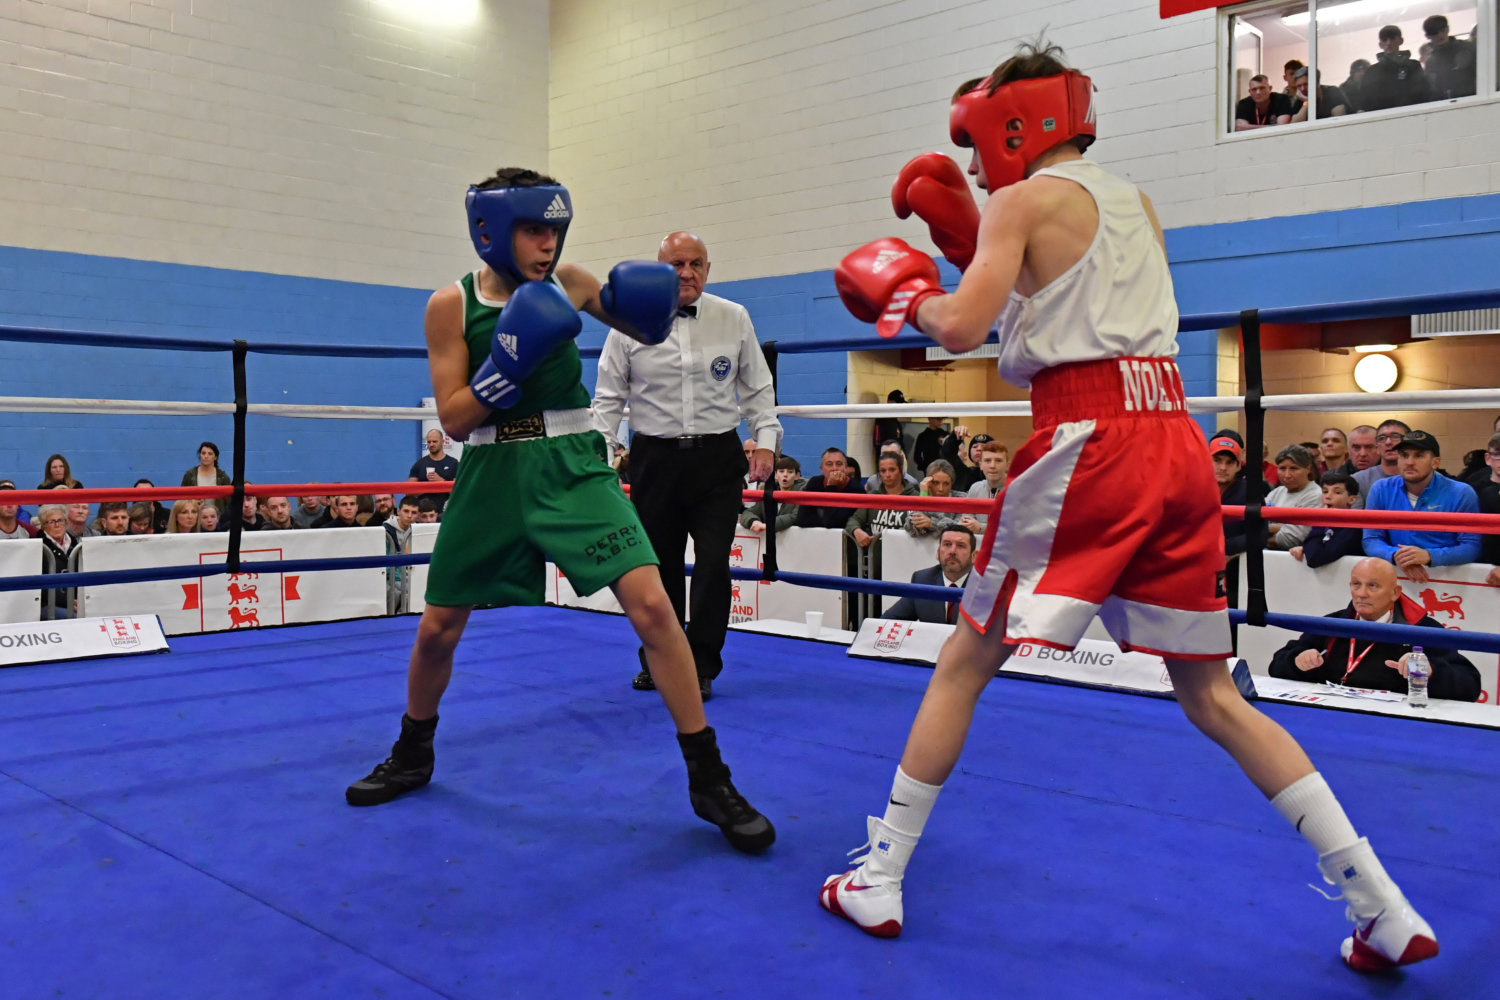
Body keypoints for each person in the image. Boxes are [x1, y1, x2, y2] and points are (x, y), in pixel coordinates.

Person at [824, 41, 1437, 971]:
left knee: (964, 658)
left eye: (980, 140)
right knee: (1214, 694)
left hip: (1089, 443)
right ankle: (1382, 908)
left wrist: (908, 293)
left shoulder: (1021, 201)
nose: (978, 163)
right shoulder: (1132, 200)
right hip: (1175, 443)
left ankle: (877, 879)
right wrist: (969, 245)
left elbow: (960, 328)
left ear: (1013, 124)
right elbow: (1066, 296)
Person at [345, 167, 773, 855]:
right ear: (491, 232)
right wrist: (507, 364)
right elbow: (454, 418)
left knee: (656, 606)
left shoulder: (569, 283)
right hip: (491, 469)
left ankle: (708, 775)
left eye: (554, 228)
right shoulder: (448, 306)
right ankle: (413, 750)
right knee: (436, 628)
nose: (547, 244)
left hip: (573, 464)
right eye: (532, 229)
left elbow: (650, 329)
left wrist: (654, 302)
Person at [591, 230, 782, 701]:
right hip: (654, 459)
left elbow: (758, 389)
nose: (687, 272)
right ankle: (660, 661)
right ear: (659, 270)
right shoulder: (627, 322)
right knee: (659, 570)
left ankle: (701, 666)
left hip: (718, 458)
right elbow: (608, 398)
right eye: (676, 263)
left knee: (715, 564)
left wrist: (767, 442)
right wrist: (598, 455)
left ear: (708, 270)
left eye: (696, 263)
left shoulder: (732, 317)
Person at [1269, 558, 1479, 701]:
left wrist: (1431, 672)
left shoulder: (1422, 629)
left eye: (1373, 586)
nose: (1361, 594)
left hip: (1396, 724)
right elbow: (1276, 664)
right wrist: (1297, 662)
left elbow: (1470, 685)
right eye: (1356, 584)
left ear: (1395, 592)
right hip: (1334, 713)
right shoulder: (1333, 624)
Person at [1363, 431, 1479, 583]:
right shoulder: (1380, 489)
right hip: (1395, 578)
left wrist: (1429, 556)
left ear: (1435, 462)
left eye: (1419, 455)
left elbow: (1471, 547)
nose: (1409, 462)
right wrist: (1398, 556)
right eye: (1404, 455)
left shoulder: (1462, 492)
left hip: (1448, 580)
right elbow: (1371, 540)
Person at [881, 527, 976, 624]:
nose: (952, 551)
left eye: (961, 546)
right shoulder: (923, 580)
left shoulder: (985, 587)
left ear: (974, 556)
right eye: (947, 544)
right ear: (938, 553)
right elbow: (889, 620)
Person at [1290, 473, 1365, 568]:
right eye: (1325, 491)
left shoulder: (1354, 527)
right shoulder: (1327, 523)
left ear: (1352, 500)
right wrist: (1306, 549)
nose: (1328, 496)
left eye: (1337, 492)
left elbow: (1315, 558)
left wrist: (1321, 520)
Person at [848, 452, 919, 547]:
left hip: (905, 554)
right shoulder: (872, 497)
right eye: (883, 471)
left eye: (892, 470)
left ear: (901, 470)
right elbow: (853, 520)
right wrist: (856, 530)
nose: (887, 474)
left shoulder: (915, 497)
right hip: (876, 557)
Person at [1265, 444, 1322, 551]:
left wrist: (1266, 529)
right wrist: (1283, 527)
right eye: (1282, 468)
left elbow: (1291, 539)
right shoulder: (1277, 492)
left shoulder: (1315, 496)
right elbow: (1250, 526)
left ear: (1308, 469)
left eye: (1294, 468)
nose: (1287, 475)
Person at [794, 448, 865, 528]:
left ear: (845, 468)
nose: (834, 468)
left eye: (839, 464)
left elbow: (833, 522)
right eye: (829, 464)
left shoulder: (856, 489)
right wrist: (825, 521)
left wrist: (831, 487)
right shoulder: (814, 483)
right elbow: (802, 519)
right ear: (822, 469)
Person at [1362, 26, 1428, 111]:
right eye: (1384, 40)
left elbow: (1423, 93)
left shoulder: (1413, 66)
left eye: (1392, 38)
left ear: (1401, 41)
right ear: (1380, 45)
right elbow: (1365, 101)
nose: (1388, 43)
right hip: (1382, 118)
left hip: (1412, 114)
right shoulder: (1372, 71)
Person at [741, 457, 806, 534]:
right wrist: (753, 521)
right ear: (775, 475)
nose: (785, 475)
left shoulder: (803, 492)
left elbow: (795, 516)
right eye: (781, 471)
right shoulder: (767, 492)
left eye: (790, 472)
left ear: (797, 476)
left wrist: (769, 526)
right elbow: (750, 512)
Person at [1210, 435, 1248, 560]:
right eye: (1217, 460)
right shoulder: (1194, 489)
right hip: (1197, 562)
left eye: (1230, 462)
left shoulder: (1249, 492)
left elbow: (1258, 535)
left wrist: (1221, 546)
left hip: (1236, 565)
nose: (1223, 468)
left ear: (1238, 466)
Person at [1422, 15, 1476, 101]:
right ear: (1428, 36)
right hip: (1446, 106)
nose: (1440, 35)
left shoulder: (1467, 49)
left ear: (1448, 29)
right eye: (1434, 32)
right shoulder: (1431, 62)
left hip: (1471, 101)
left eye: (1443, 30)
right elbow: (1432, 90)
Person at [960, 439, 1009, 533]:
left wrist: (981, 528)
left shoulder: (1017, 489)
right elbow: (966, 518)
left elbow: (1017, 527)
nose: (992, 466)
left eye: (998, 460)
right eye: (987, 461)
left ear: (1007, 465)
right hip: (977, 544)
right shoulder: (975, 488)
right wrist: (967, 524)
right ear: (981, 465)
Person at [1353, 419, 1409, 495]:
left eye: (1395, 436)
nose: (1388, 442)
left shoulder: (1422, 477)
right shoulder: (1358, 480)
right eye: (1382, 438)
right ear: (1377, 447)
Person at [409, 430, 459, 513]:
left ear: (442, 442)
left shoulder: (453, 463)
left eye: (434, 441)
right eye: (429, 442)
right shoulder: (419, 464)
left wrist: (441, 482)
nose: (431, 444)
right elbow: (408, 492)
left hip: (446, 512)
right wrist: (428, 486)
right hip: (423, 514)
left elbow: (458, 491)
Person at [908, 459, 960, 538]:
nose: (941, 489)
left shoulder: (961, 499)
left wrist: (932, 523)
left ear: (951, 484)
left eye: (946, 484)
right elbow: (912, 528)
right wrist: (923, 496)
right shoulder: (923, 496)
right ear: (928, 482)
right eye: (936, 483)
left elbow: (959, 529)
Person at [182, 442, 232, 515]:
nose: (206, 456)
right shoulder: (190, 475)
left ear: (215, 457)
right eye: (203, 453)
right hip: (194, 516)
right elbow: (181, 499)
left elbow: (229, 503)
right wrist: (193, 502)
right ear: (200, 455)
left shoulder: (223, 477)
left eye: (210, 454)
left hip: (216, 518)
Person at [873, 390, 907, 457]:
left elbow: (900, 442)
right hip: (886, 460)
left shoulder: (897, 423)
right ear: (890, 403)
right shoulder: (882, 420)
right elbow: (878, 443)